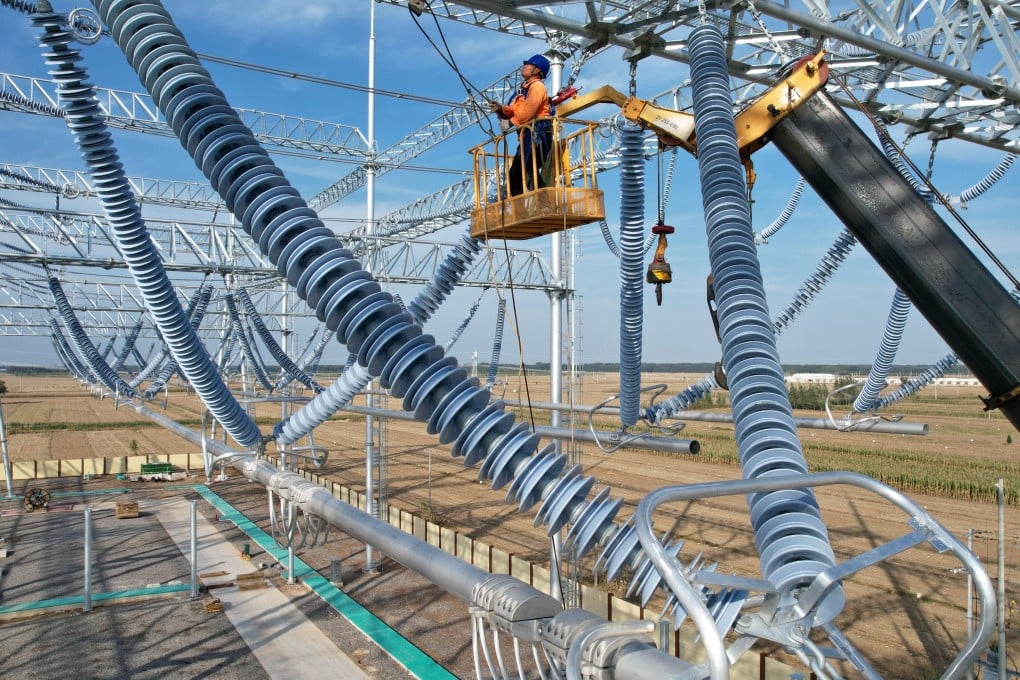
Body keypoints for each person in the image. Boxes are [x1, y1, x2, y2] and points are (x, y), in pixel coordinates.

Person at [489, 54, 552, 196]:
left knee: (526, 170)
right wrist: (501, 109)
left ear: (537, 70)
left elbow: (529, 110)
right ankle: (530, 204)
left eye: (528, 65)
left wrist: (511, 123)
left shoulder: (537, 87)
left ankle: (545, 202)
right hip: (528, 134)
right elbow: (516, 109)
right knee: (519, 173)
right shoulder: (523, 90)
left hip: (539, 133)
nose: (524, 66)